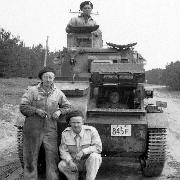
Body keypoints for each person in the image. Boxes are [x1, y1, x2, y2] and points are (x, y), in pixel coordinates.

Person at [20, 66, 71, 180]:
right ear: (41, 78)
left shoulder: (58, 93)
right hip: (33, 128)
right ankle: (30, 178)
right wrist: (36, 111)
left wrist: (59, 111)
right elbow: (23, 107)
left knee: (52, 156)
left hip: (50, 128)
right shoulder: (32, 91)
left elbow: (67, 106)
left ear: (54, 78)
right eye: (46, 77)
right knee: (30, 156)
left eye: (51, 77)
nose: (48, 79)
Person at [58, 110, 102, 180]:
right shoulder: (65, 133)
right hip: (74, 162)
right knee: (61, 165)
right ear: (69, 123)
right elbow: (63, 151)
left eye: (78, 122)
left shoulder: (91, 130)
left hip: (88, 162)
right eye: (73, 122)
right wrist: (70, 162)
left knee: (95, 157)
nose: (76, 125)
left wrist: (83, 151)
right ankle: (74, 178)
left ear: (83, 122)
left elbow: (98, 147)